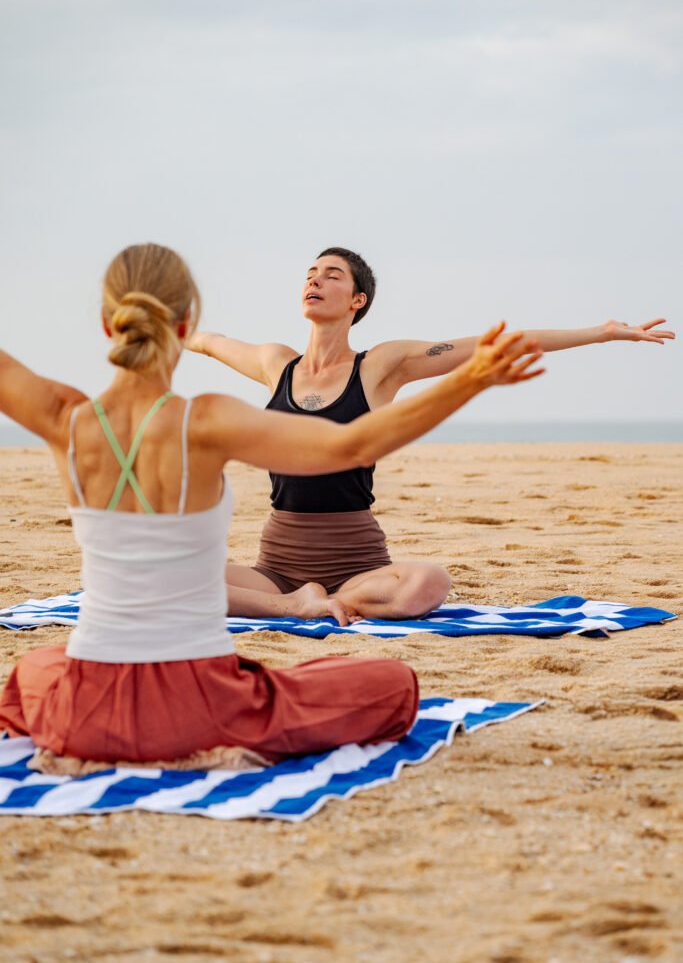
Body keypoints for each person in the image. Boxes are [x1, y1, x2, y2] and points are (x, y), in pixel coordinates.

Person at [0, 243, 543, 769]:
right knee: (392, 685)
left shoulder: (64, 416)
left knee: (33, 672)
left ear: (106, 322)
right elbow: (352, 446)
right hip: (202, 707)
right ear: (186, 325)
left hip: (86, 710)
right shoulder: (207, 419)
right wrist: (469, 381)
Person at [188, 246, 675, 624]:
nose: (315, 279)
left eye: (332, 275)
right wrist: (155, 327)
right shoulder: (278, 365)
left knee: (428, 582)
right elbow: (209, 342)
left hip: (360, 565)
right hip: (277, 567)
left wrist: (601, 332)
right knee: (166, 576)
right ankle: (295, 606)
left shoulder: (380, 366)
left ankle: (329, 600)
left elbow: (490, 345)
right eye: (311, 274)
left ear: (357, 301)